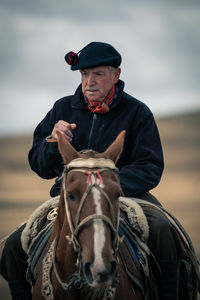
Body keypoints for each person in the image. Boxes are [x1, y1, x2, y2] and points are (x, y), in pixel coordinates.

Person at [0, 42, 189, 299]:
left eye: (98, 74)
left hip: (124, 195)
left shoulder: (137, 112)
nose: (89, 82)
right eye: (84, 74)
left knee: (163, 230)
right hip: (71, 198)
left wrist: (104, 185)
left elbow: (151, 167)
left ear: (116, 75)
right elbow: (39, 165)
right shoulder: (62, 108)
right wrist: (53, 144)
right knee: (12, 246)